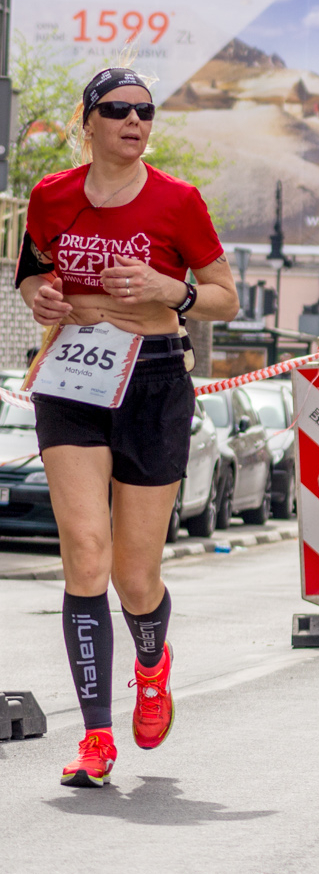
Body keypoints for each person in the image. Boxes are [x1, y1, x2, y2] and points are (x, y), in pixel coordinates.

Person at [17, 68, 239, 787]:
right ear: (88, 120)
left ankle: (151, 663)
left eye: (145, 111)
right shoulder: (50, 196)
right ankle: (95, 736)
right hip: (75, 378)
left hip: (153, 379)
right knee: (85, 552)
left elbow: (224, 297)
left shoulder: (179, 202)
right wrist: (42, 296)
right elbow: (30, 273)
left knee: (134, 574)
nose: (134, 121)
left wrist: (168, 289)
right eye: (117, 110)